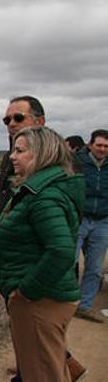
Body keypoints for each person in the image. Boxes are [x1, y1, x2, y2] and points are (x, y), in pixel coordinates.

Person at [0, 96, 86, 382]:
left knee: (43, 375)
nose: (13, 157)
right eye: (7, 120)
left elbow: (61, 251)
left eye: (21, 151)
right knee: (44, 368)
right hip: (37, 293)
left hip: (39, 299)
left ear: (41, 154)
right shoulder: (39, 188)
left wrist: (26, 292)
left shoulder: (45, 196)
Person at [0, 96, 45, 233]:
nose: (11, 124)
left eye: (18, 118)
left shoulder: (53, 160)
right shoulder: (8, 158)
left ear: (40, 121)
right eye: (7, 120)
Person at [73, 129, 108, 323]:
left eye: (106, 146)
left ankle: (84, 306)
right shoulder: (76, 162)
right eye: (99, 145)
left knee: (94, 268)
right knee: (67, 262)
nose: (102, 149)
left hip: (103, 221)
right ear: (90, 144)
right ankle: (63, 303)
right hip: (79, 219)